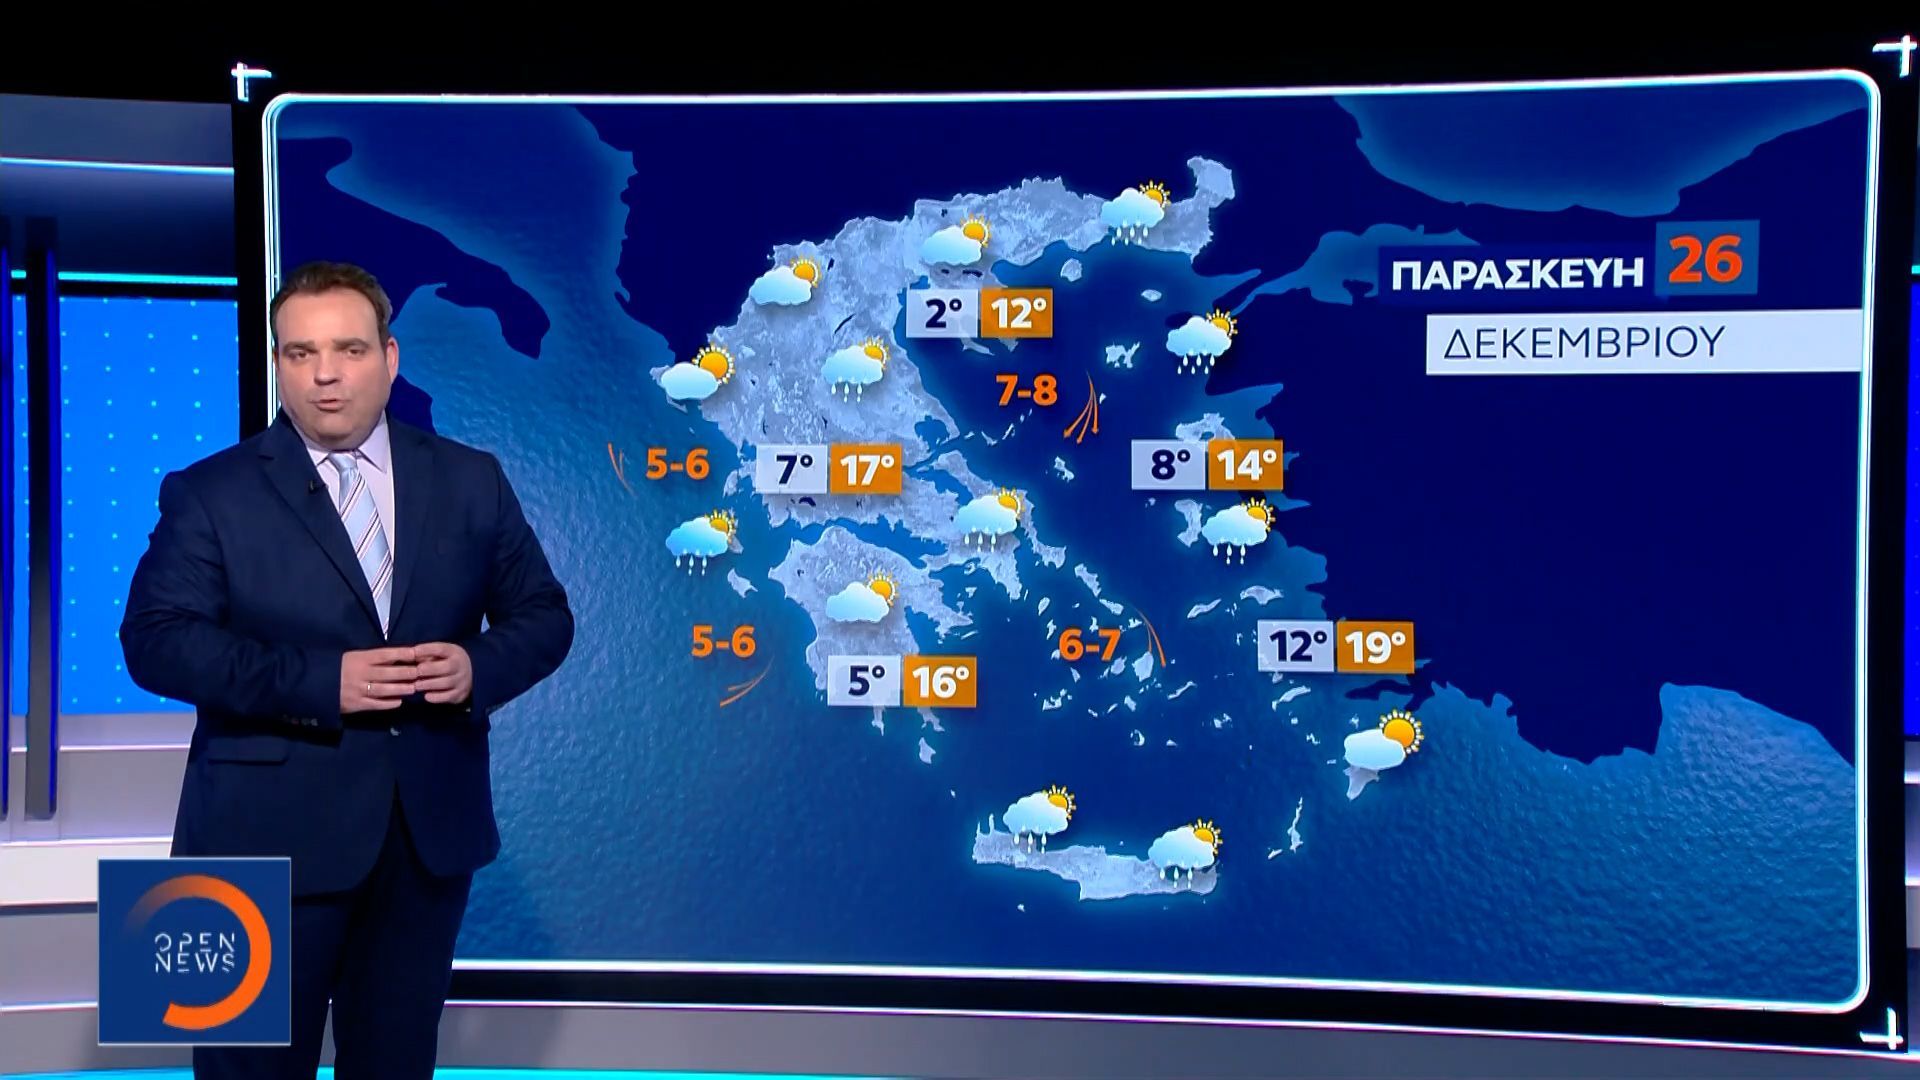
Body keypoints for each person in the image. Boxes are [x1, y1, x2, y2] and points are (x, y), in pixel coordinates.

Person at [121, 261, 575, 1078]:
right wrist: (321, 683)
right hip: (249, 848)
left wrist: (474, 667)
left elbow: (544, 617)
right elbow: (154, 641)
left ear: (390, 358)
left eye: (348, 350)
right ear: (278, 364)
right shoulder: (208, 492)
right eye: (300, 353)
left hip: (422, 843)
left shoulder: (470, 479)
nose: (324, 374)